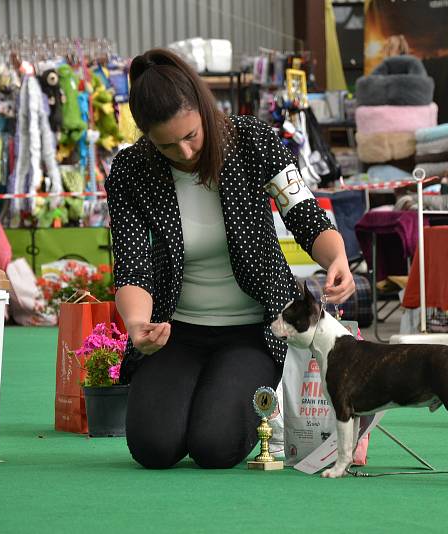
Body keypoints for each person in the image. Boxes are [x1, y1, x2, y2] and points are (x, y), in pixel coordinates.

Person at [105, 48, 355, 469]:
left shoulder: (253, 139)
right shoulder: (130, 170)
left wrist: (337, 258)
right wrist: (137, 327)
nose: (184, 153)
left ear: (204, 110)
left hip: (254, 330)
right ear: (146, 137)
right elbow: (132, 265)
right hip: (176, 329)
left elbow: (305, 214)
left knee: (215, 448)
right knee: (154, 448)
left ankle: (239, 407)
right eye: (167, 145)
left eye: (191, 136)